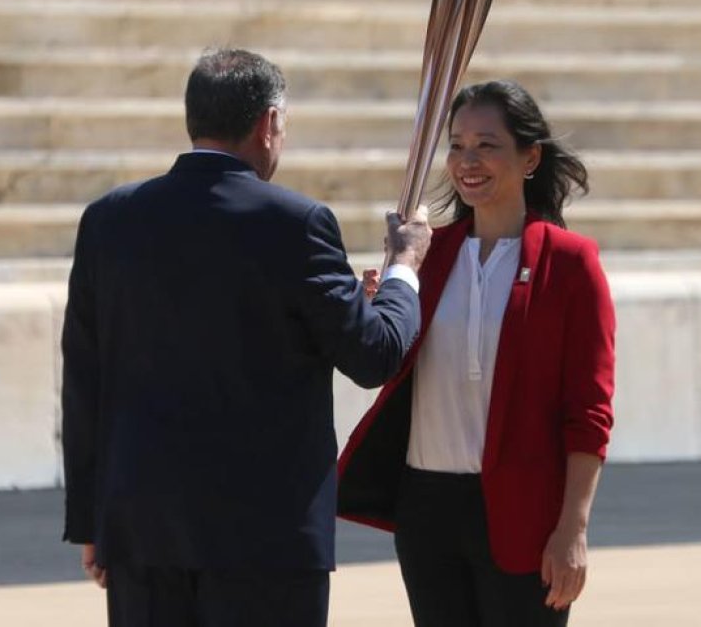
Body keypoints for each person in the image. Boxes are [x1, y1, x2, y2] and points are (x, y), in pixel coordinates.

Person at [60, 48, 431, 627]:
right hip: (267, 541)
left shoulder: (109, 219)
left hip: (142, 531)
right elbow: (374, 353)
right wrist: (405, 266)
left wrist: (91, 521)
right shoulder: (297, 223)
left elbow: (84, 380)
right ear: (270, 123)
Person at [338, 80, 616, 626]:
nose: (468, 161)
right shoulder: (427, 254)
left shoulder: (570, 262)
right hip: (427, 508)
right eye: (458, 145)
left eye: (487, 145)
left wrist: (572, 530)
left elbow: (589, 412)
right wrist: (383, 296)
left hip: (522, 511)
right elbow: (382, 359)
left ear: (529, 156)